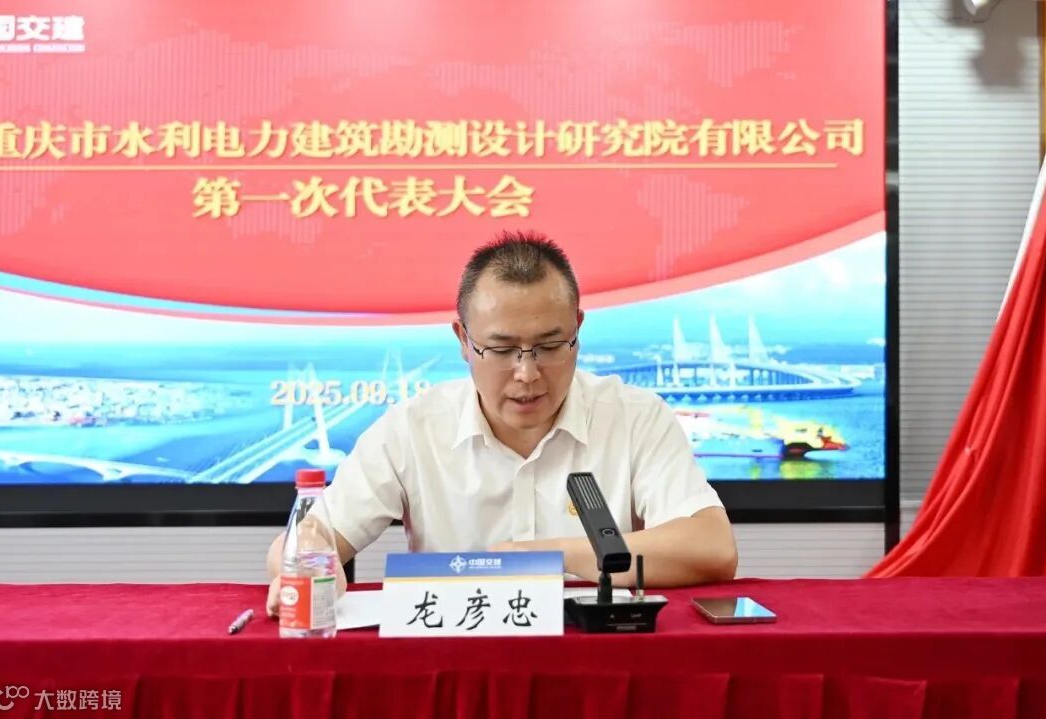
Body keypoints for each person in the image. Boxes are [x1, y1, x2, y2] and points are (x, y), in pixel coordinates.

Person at [266, 231, 737, 615]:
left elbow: (712, 548)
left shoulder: (634, 416)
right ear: (463, 340)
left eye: (549, 346)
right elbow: (302, 543)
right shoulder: (413, 428)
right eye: (502, 349)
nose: (527, 373)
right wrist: (306, 568)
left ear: (578, 328)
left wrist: (548, 557)